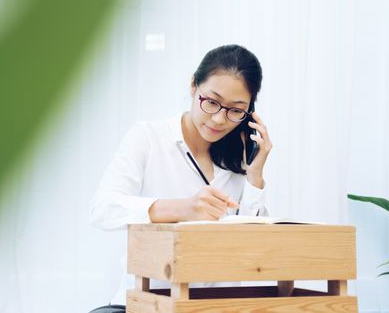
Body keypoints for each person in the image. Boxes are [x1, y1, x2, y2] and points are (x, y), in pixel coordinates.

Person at [88, 44, 273, 312]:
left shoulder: (239, 161)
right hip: (145, 305)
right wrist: (182, 208)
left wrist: (255, 176)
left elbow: (251, 249)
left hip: (214, 308)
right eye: (211, 101)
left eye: (235, 110)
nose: (220, 119)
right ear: (193, 86)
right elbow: (101, 209)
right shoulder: (148, 138)